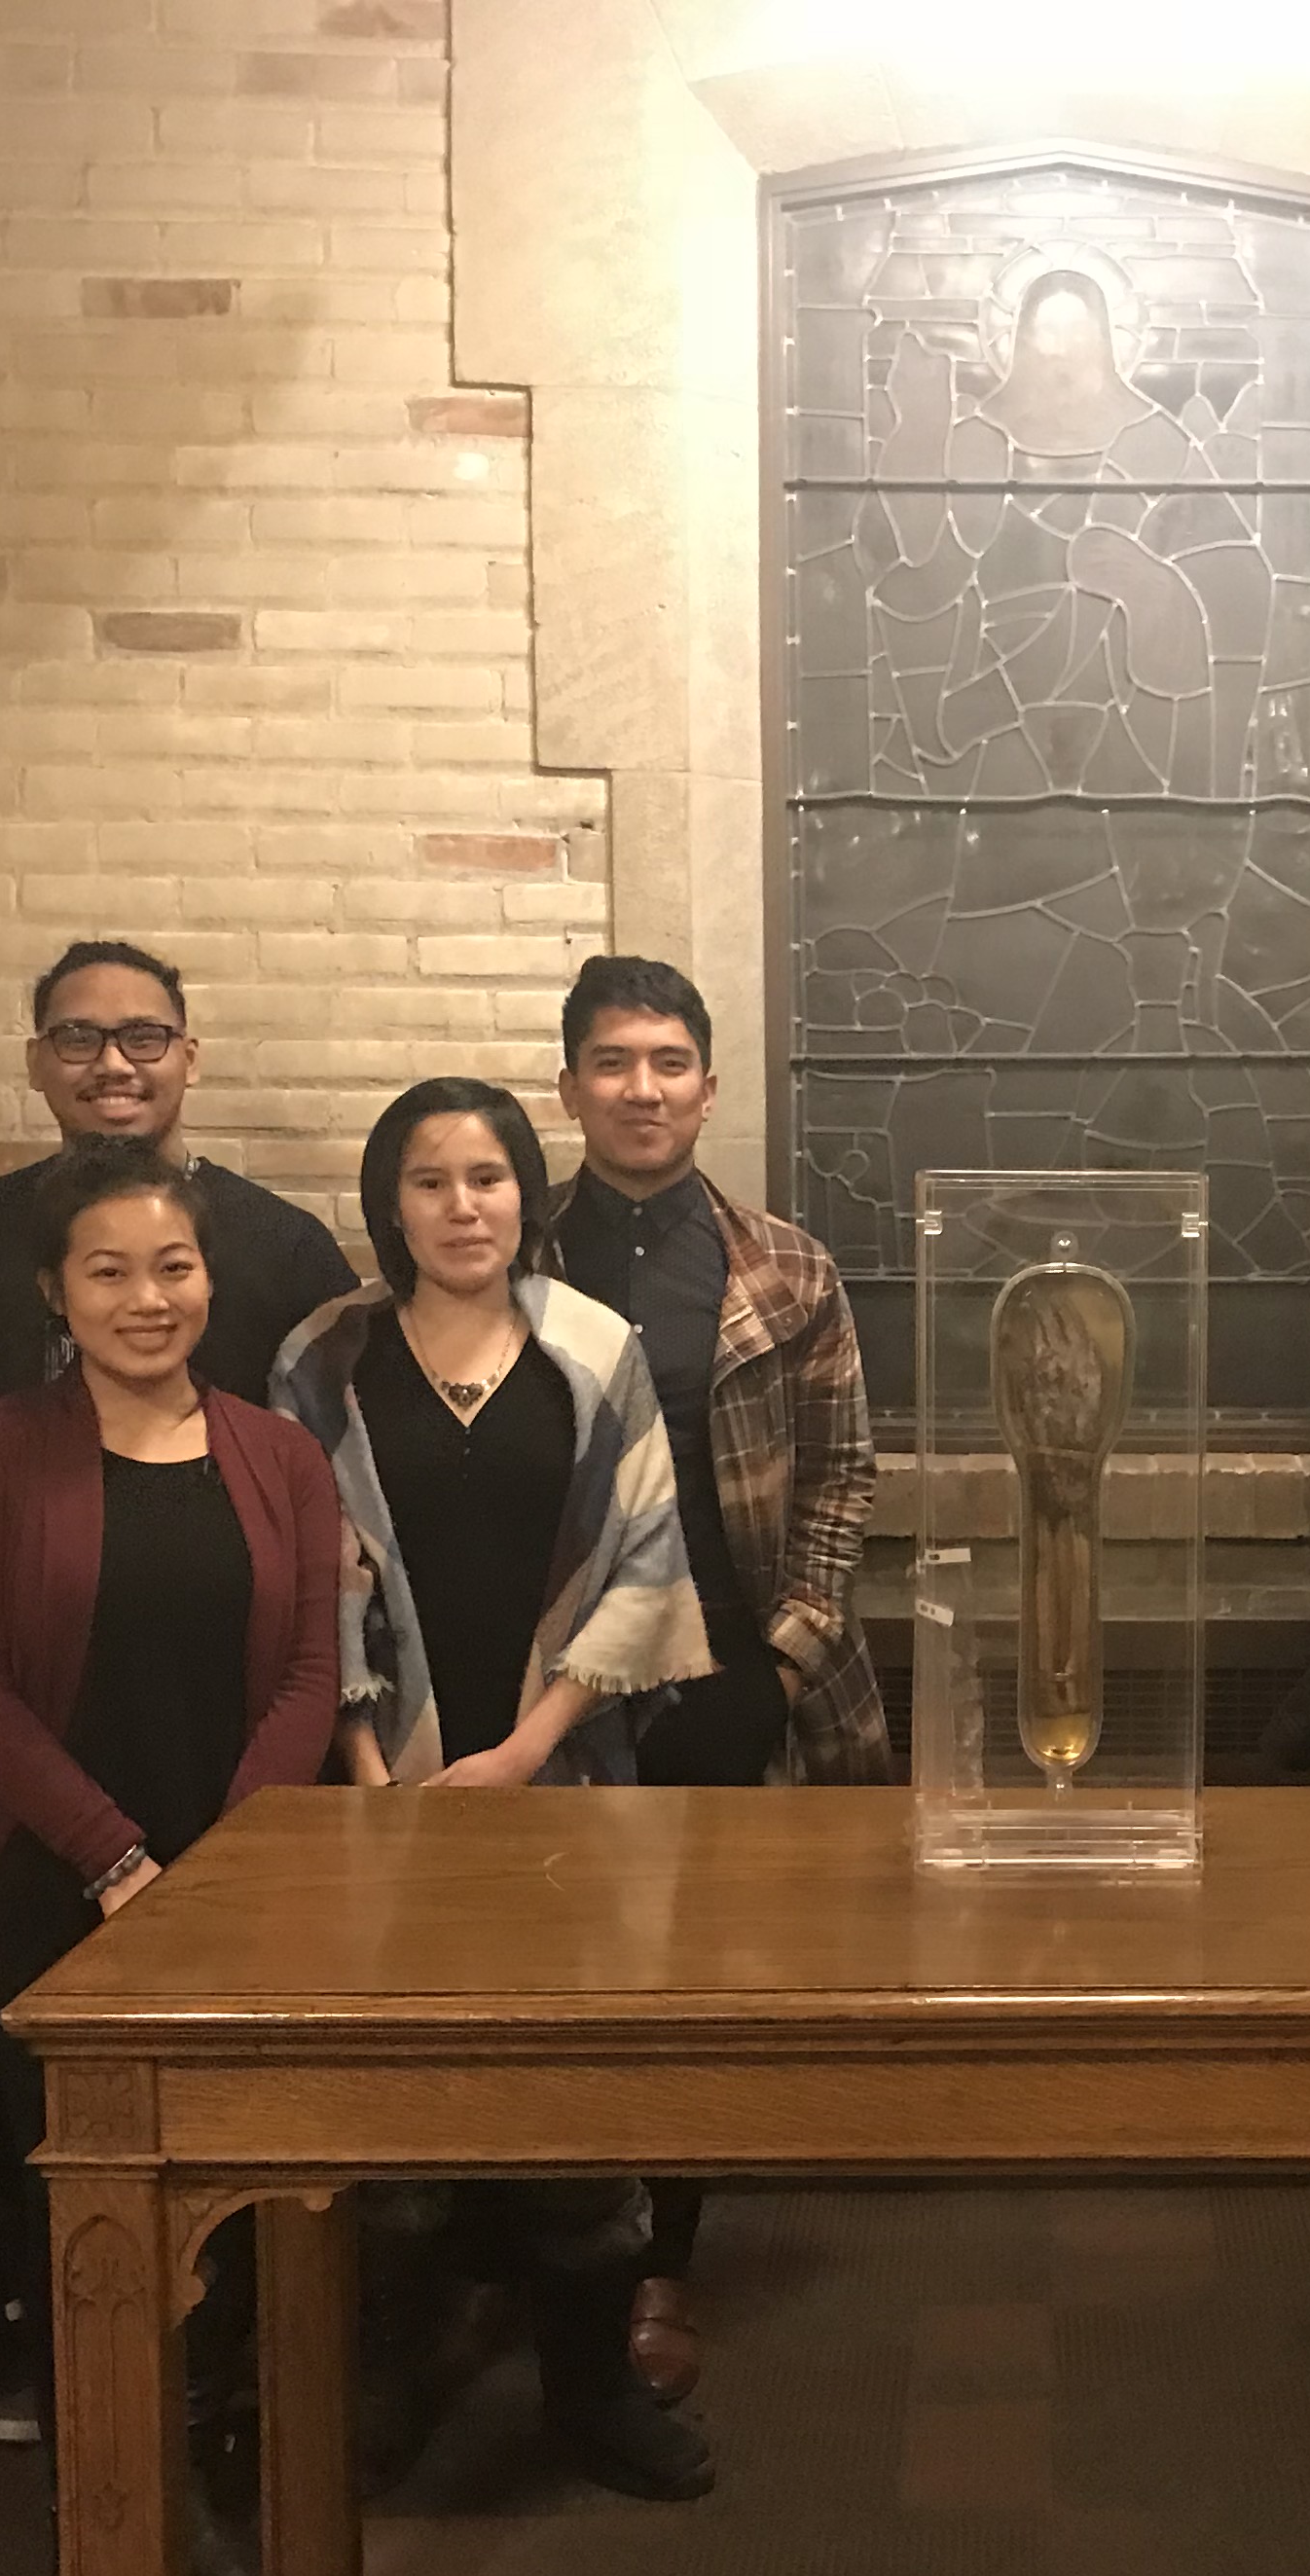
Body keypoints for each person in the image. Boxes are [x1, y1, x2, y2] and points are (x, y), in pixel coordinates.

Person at [267, 1079, 717, 2499]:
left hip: (563, 1778)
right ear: (385, 1201)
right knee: (390, 2110)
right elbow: (299, 1580)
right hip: (375, 1784)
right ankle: (392, 2383)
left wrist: (523, 1755)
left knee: (578, 2096)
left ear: (529, 1191)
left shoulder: (597, 1350)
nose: (463, 1207)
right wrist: (368, 1766)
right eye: (428, 1180)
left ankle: (590, 2393)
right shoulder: (321, 1361)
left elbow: (643, 1565)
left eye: (489, 1178)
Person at [0, 1133, 344, 2576]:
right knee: (90, 2220)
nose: (147, 1298)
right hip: (55, 1887)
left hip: (240, 1885)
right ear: (57, 1289)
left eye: (174, 1266)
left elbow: (307, 1675)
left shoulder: (278, 1453)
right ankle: (106, 2498)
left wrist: (219, 1872)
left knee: (234, 2197)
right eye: (111, 1271)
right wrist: (112, 1861)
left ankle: (208, 2453)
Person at [538, 954, 890, 2399]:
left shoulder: (782, 1266)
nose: (643, 1089)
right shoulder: (511, 1253)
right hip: (559, 1686)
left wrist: (787, 1654)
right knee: (556, 1976)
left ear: (707, 1084)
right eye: (614, 1062)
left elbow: (847, 1477)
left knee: (684, 1981)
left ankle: (656, 2261)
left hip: (728, 1671)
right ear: (568, 1086)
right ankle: (546, 2246)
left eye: (669, 1062)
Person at [0, 939, 352, 1417]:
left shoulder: (290, 1248)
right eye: (78, 1038)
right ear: (36, 1063)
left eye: (144, 1037)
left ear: (189, 1060)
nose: (112, 1064)